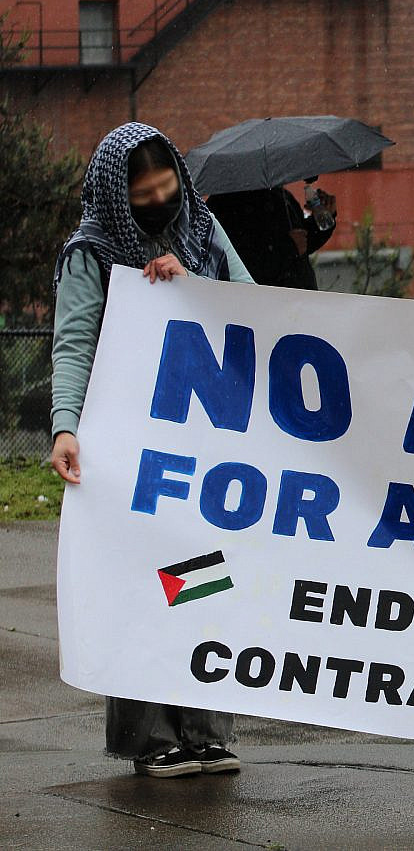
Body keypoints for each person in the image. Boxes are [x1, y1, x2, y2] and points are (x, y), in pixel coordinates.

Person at [50, 122, 255, 779]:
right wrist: (65, 426)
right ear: (117, 194)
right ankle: (150, 736)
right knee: (144, 585)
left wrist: (192, 281)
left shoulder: (204, 230)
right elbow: (75, 339)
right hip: (130, 447)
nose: (161, 199)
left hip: (205, 439)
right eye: (144, 192)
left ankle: (206, 728)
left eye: (167, 183)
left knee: (205, 578)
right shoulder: (92, 251)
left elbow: (256, 309)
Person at [206, 179, 336, 290]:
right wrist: (289, 247)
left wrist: (322, 219)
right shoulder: (225, 205)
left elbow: (302, 243)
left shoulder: (280, 195)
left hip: (299, 300)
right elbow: (242, 267)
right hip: (267, 304)